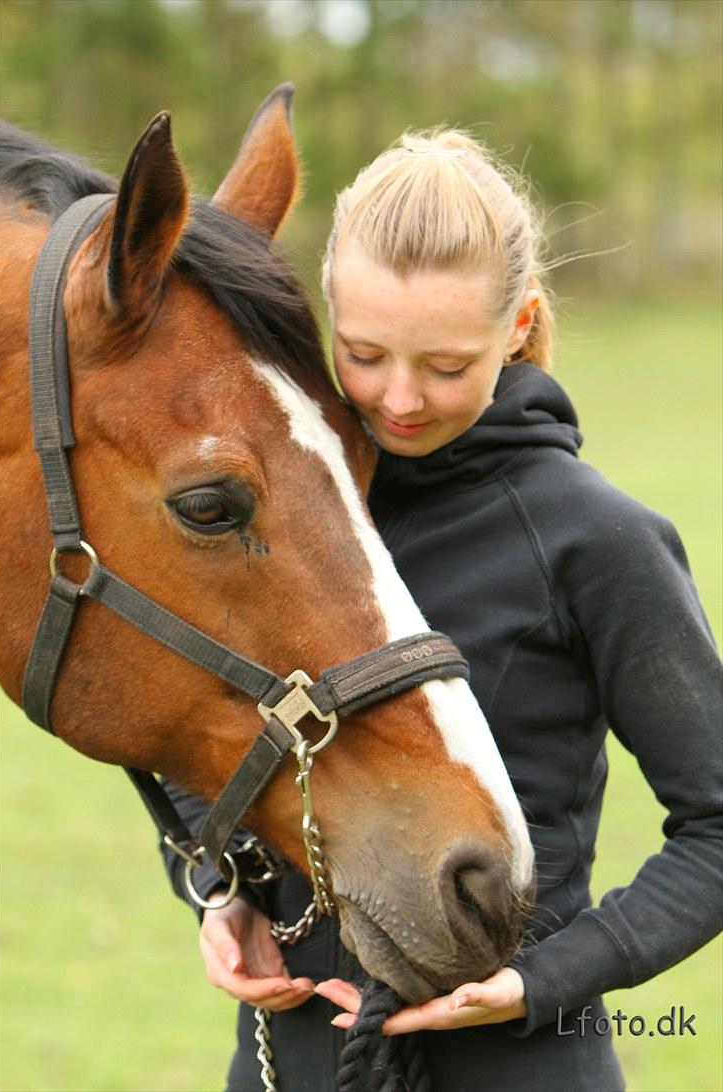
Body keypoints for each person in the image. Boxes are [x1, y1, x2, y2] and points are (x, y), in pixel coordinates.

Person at [160, 128, 722, 1092]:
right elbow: (189, 715)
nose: (401, 399)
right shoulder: (278, 514)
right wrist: (220, 888)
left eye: (448, 366)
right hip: (285, 1061)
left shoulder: (599, 540)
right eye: (365, 353)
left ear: (520, 325)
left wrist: (537, 981)